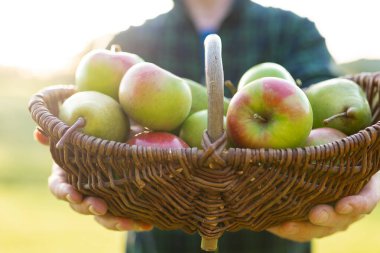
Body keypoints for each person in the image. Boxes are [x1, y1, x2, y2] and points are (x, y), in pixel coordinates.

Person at [46, 0, 380, 252]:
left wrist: (360, 174)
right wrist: (76, 155)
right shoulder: (133, 43)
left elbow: (330, 119)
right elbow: (102, 115)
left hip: (275, 241)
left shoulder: (292, 31)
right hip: (157, 241)